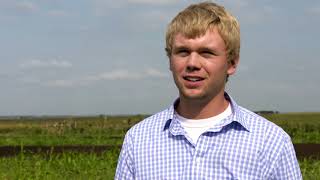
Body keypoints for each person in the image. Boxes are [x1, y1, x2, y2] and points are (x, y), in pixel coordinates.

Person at [115, 1, 302, 179]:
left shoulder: (271, 142)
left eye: (206, 53)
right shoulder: (138, 140)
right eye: (183, 52)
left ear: (232, 63)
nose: (192, 63)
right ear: (170, 60)